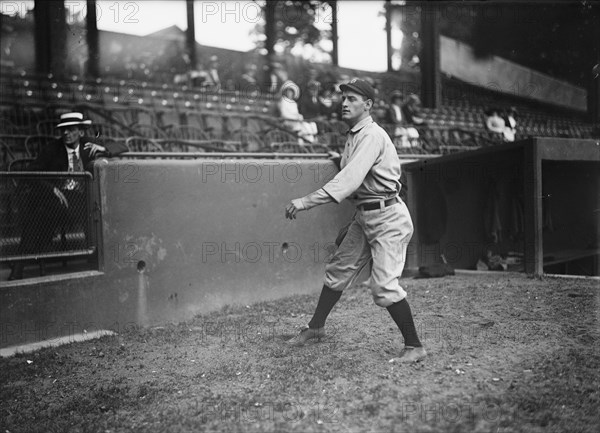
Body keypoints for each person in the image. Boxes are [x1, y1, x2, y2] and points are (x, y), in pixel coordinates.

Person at [284, 79, 427, 363]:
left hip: (388, 217)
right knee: (338, 270)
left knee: (384, 286)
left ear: (368, 105)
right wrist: (340, 158)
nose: (344, 103)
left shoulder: (372, 135)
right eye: (344, 98)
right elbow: (356, 172)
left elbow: (348, 181)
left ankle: (415, 346)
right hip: (366, 215)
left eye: (351, 98)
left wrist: (304, 201)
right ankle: (316, 328)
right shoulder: (355, 135)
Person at [8, 112, 128, 280]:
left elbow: (122, 146)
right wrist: (51, 189)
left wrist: (105, 150)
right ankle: (20, 263)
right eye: (63, 130)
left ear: (81, 132)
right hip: (58, 197)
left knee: (95, 209)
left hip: (83, 198)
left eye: (71, 130)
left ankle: (96, 259)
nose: (66, 133)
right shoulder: (52, 148)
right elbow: (31, 173)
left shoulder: (89, 144)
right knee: (43, 212)